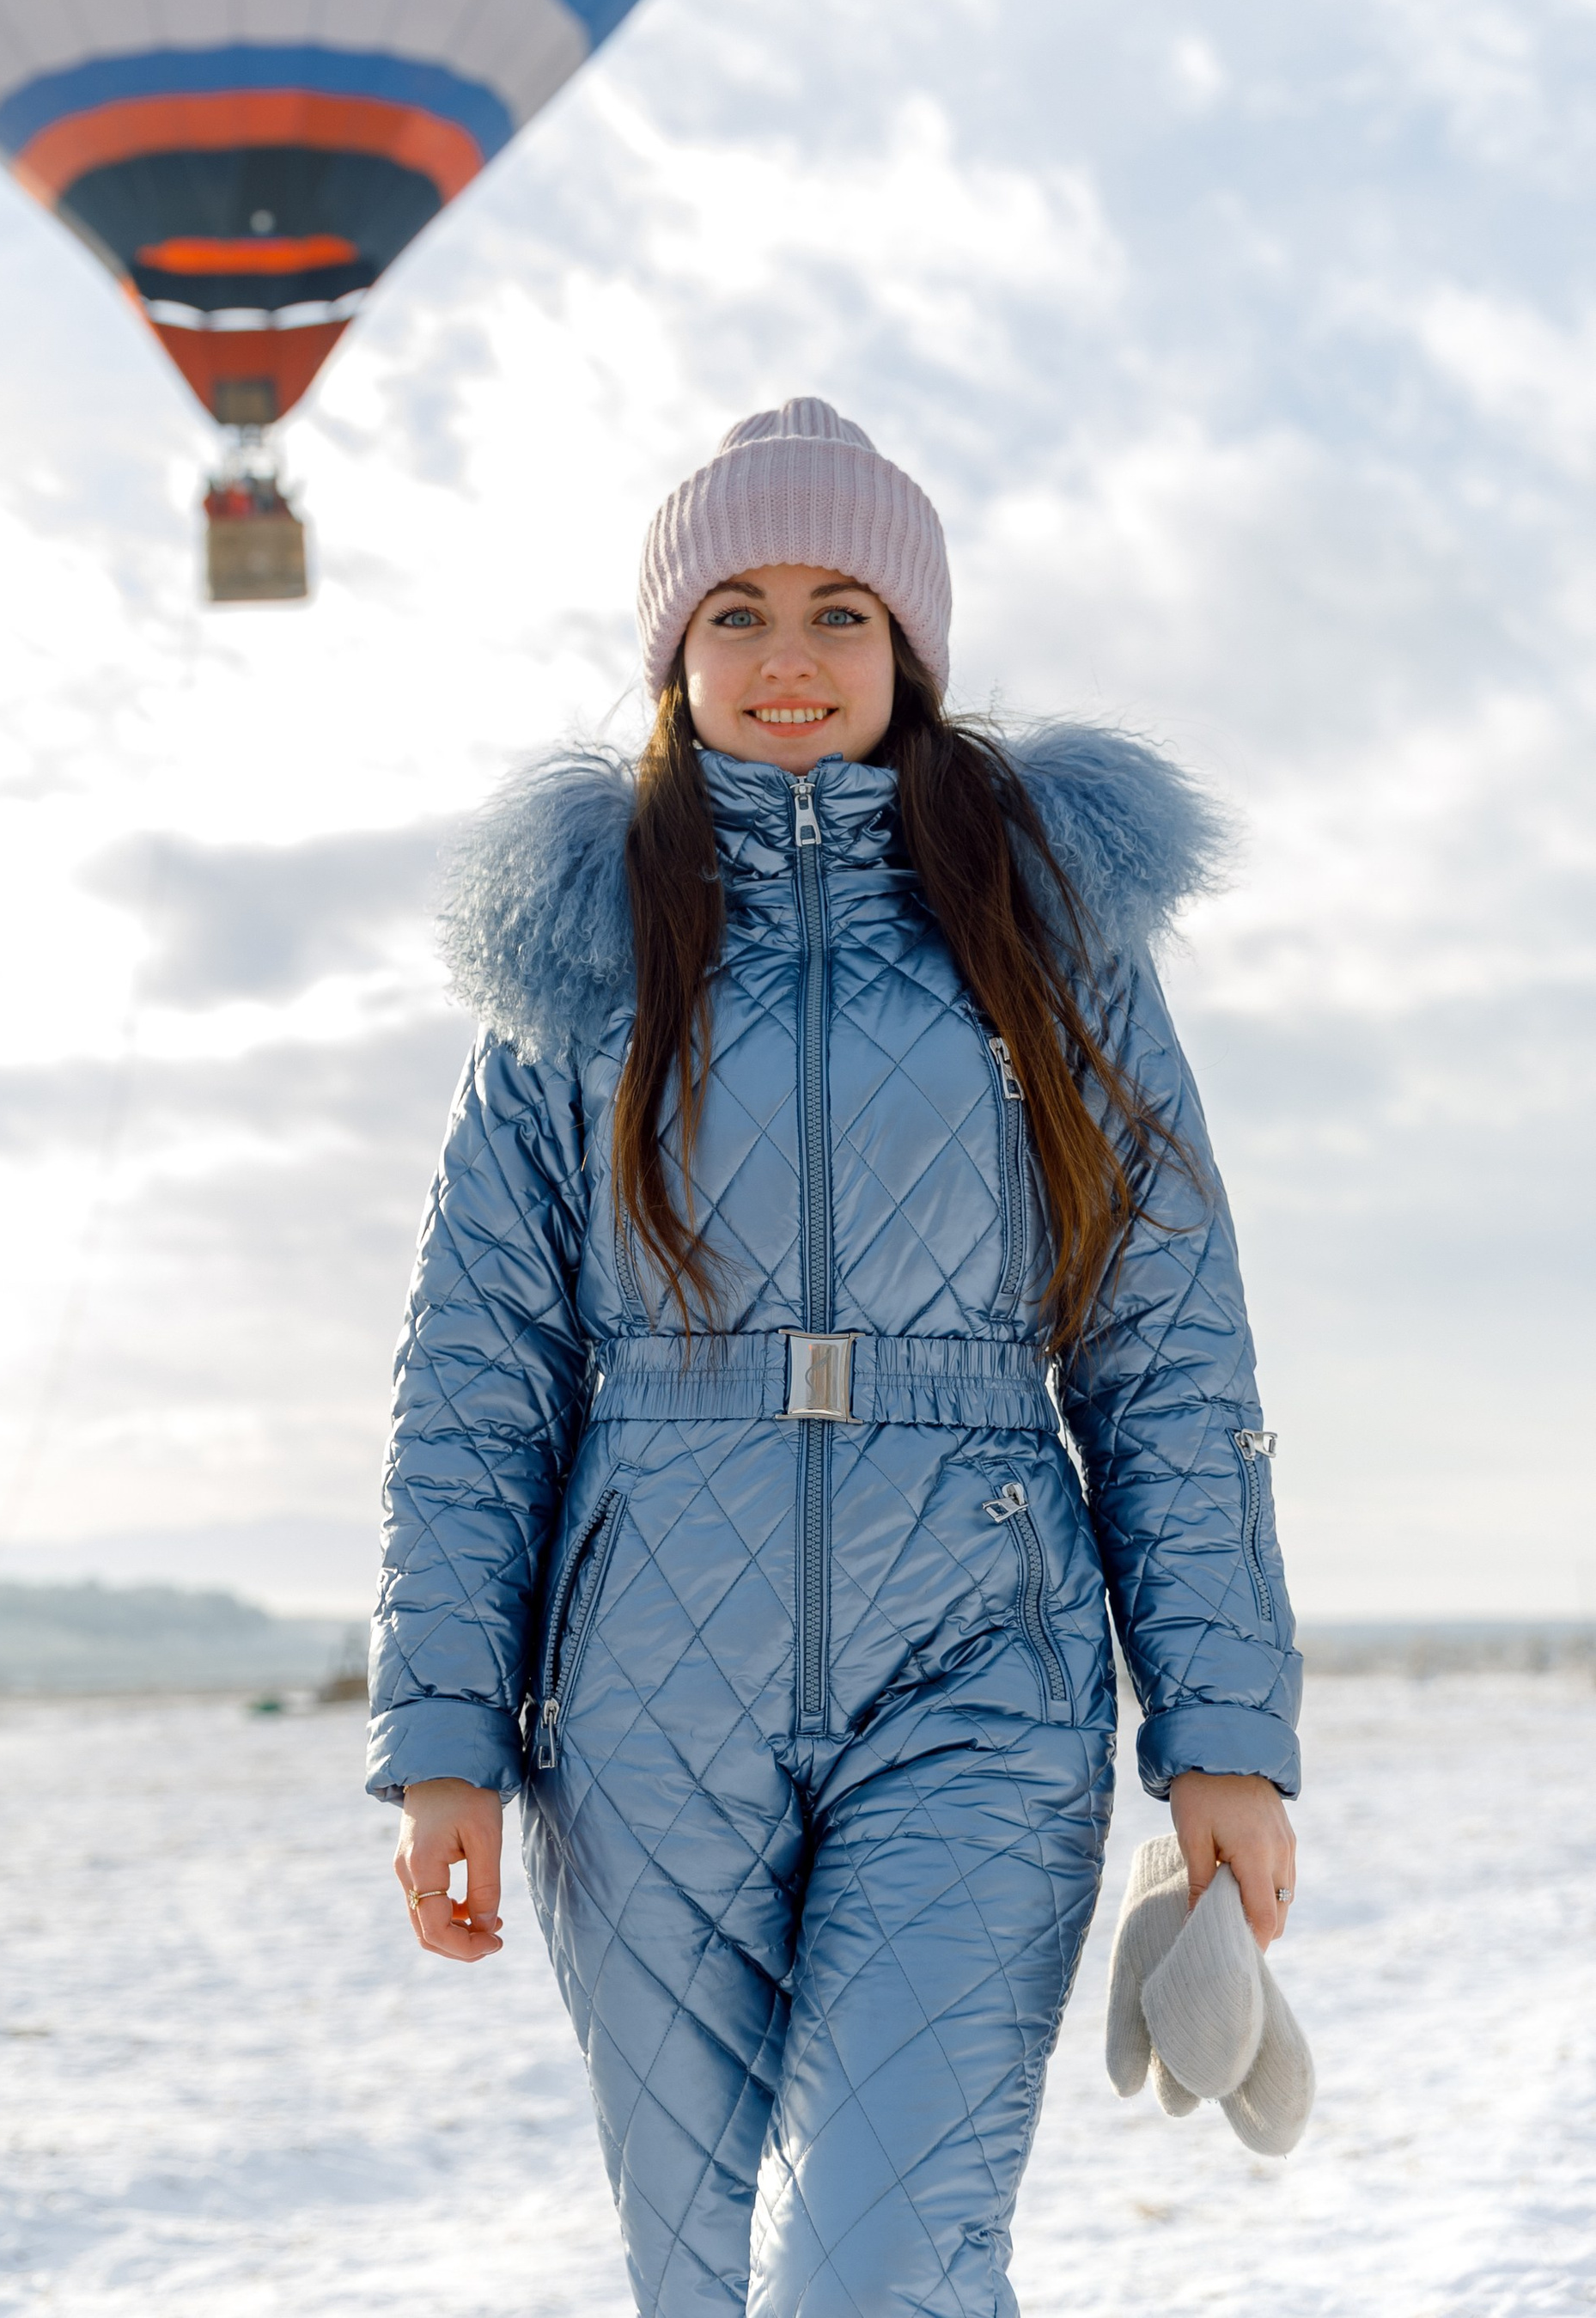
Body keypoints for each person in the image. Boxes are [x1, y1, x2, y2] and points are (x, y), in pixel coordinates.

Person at [367, 400, 1300, 2317]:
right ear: (673, 653)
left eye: (839, 612)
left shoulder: (1048, 931)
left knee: (877, 2265)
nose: (786, 657)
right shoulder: (575, 949)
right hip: (642, 1692)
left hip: (981, 1667)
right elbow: (478, 1371)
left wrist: (1219, 1733)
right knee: (699, 2280)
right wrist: (446, 1734)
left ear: (910, 650)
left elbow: (1166, 1346)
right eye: (737, 611)